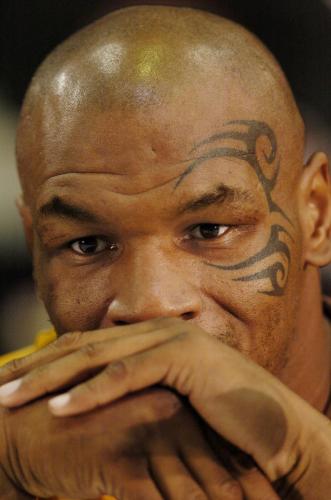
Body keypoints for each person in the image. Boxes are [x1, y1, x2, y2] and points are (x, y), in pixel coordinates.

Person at [0, 4, 330, 499]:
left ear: (318, 216)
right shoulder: (18, 428)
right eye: (86, 245)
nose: (150, 304)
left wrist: (306, 453)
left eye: (210, 229)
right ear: (35, 250)